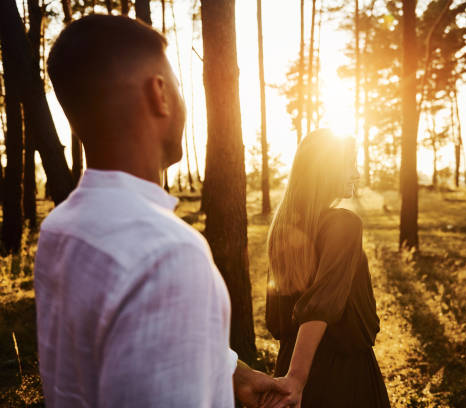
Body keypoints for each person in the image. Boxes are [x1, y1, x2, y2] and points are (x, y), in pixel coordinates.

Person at [34, 14, 286, 408]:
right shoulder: (168, 255)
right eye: (179, 87)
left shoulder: (62, 228)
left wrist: (232, 375)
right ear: (160, 94)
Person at [263, 129, 391, 407]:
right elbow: (322, 303)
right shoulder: (344, 224)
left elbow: (277, 320)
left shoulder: (283, 228)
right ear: (326, 170)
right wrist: (296, 379)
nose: (356, 174)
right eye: (350, 165)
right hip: (344, 374)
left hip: (290, 362)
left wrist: (291, 375)